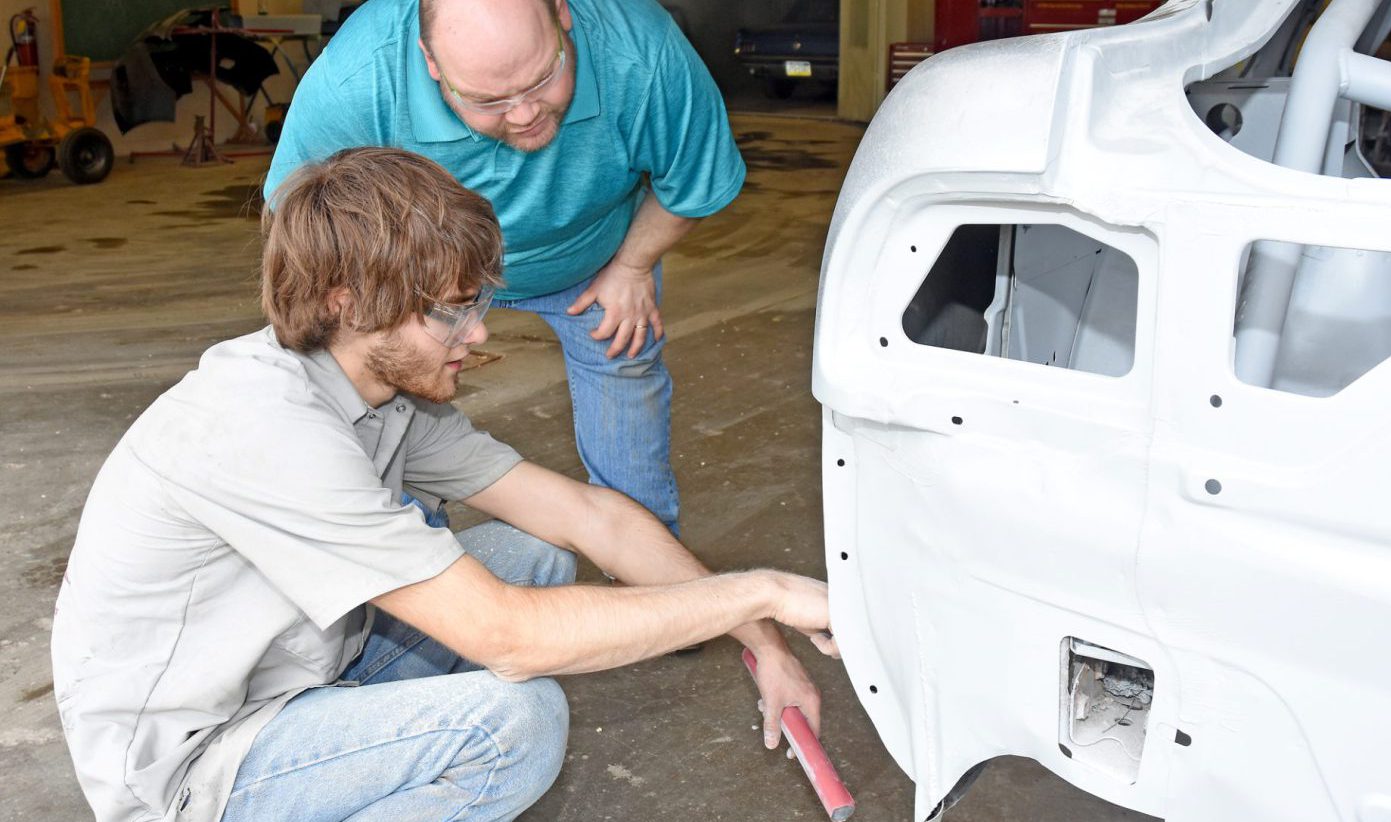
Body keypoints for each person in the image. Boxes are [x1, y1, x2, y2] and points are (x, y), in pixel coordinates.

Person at [53, 148, 833, 822]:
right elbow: (510, 639)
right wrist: (759, 589)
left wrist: (761, 640)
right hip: (195, 767)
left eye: (477, 304)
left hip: (300, 674)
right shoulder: (263, 423)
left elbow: (589, 518)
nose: (480, 333)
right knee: (513, 721)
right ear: (347, 303)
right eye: (451, 313)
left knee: (532, 554)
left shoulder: (382, 392)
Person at [265, 0, 743, 536]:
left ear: (562, 15)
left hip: (594, 258)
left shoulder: (641, 51)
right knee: (372, 392)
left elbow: (697, 180)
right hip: (420, 274)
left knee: (625, 379)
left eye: (543, 79)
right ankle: (394, 555)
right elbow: (302, 215)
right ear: (430, 61)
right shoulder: (357, 79)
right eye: (487, 99)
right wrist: (383, 313)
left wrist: (633, 266)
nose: (524, 114)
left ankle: (653, 573)